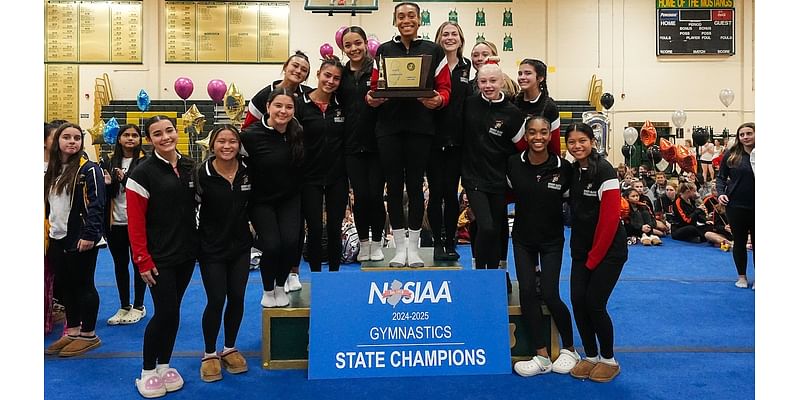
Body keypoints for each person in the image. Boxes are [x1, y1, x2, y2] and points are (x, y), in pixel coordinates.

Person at [366, 1, 452, 267]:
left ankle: (414, 249)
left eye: (411, 16)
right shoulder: (384, 50)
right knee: (392, 188)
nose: (406, 20)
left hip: (421, 128)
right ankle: (399, 247)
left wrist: (439, 101)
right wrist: (372, 98)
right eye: (401, 16)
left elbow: (445, 88)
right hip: (388, 128)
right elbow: (373, 87)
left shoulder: (433, 50)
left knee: (415, 186)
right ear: (395, 21)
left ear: (418, 21)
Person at [127, 116, 199, 398]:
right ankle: (146, 370)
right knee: (164, 312)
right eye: (157, 134)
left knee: (174, 312)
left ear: (176, 131)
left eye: (169, 130)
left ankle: (164, 364)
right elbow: (135, 222)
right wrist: (142, 260)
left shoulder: (190, 166)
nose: (165, 137)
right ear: (149, 139)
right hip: (158, 258)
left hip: (186, 254)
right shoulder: (142, 174)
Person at [508, 116, 579, 377]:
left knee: (549, 294)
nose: (538, 137)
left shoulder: (564, 168)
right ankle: (541, 355)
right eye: (532, 133)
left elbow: (578, 204)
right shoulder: (514, 164)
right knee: (527, 292)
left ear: (551, 135)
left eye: (544, 132)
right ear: (525, 136)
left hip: (552, 240)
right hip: (523, 240)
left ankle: (570, 349)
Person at [564, 122, 628, 383]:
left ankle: (609, 358)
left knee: (594, 303)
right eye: (571, 142)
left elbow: (610, 220)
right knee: (578, 302)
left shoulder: (605, 170)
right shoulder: (572, 171)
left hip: (609, 250)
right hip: (581, 249)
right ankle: (590, 355)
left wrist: (594, 259)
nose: (577, 146)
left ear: (592, 142)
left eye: (582, 141)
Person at [44, 123, 106, 357]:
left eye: (77, 138)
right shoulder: (53, 169)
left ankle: (89, 334)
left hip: (81, 238)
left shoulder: (89, 169)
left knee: (84, 285)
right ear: (57, 141)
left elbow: (98, 204)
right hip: (57, 236)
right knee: (66, 286)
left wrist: (89, 234)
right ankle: (72, 329)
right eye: (67, 137)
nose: (72, 141)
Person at [195, 125, 252, 382]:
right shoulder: (201, 174)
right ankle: (209, 353)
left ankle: (229, 347)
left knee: (237, 297)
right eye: (221, 142)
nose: (227, 146)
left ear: (239, 145)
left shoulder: (249, 172)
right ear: (212, 145)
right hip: (211, 248)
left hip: (240, 247)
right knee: (216, 299)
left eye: (232, 142)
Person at [241, 89, 304, 307]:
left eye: (288, 107)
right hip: (261, 201)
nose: (283, 111)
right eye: (278, 105)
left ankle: (280, 286)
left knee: (290, 244)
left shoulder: (298, 132)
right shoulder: (250, 135)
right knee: (272, 245)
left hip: (289, 199)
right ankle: (268, 290)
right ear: (268, 106)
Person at [461, 62, 525, 271]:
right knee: (486, 227)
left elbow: (520, 149)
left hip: (499, 180)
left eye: (493, 81)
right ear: (477, 83)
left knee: (497, 229)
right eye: (483, 81)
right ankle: (480, 273)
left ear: (502, 82)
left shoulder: (513, 113)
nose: (488, 85)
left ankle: (496, 273)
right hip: (473, 178)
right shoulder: (468, 104)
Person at [296, 57, 348, 273]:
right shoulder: (300, 104)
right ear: (318, 74)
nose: (331, 81)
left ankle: (334, 277)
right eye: (327, 75)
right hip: (309, 178)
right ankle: (317, 277)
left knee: (335, 229)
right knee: (315, 229)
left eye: (336, 78)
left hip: (337, 177)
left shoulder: (341, 105)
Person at [339, 26, 386, 262]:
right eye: (348, 45)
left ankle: (377, 242)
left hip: (377, 144)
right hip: (351, 145)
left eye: (357, 43)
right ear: (342, 48)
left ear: (366, 43)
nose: (354, 48)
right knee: (360, 196)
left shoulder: (378, 69)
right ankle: (364, 243)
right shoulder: (341, 74)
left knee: (375, 195)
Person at [427, 21, 472, 261]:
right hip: (433, 139)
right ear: (438, 39)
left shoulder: (467, 66)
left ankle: (450, 240)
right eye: (445, 34)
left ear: (461, 39)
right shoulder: (432, 65)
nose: (450, 37)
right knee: (436, 193)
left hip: (458, 140)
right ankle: (436, 241)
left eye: (454, 33)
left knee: (452, 194)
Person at [102, 124, 148, 326]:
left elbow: (146, 190)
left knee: (139, 264)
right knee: (120, 265)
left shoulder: (146, 162)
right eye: (126, 135)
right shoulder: (109, 161)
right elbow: (106, 194)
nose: (130, 138)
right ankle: (124, 305)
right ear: (119, 139)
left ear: (140, 139)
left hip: (138, 222)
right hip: (115, 221)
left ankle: (139, 305)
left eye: (134, 135)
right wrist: (109, 183)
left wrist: (124, 179)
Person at [717, 122, 755, 289]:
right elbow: (721, 177)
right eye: (742, 134)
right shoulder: (732, 155)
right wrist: (721, 193)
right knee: (739, 242)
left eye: (749, 133)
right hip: (736, 205)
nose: (745, 137)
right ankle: (742, 277)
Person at [242, 51, 312, 129]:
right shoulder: (263, 96)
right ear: (285, 67)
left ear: (306, 77)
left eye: (304, 70)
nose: (298, 71)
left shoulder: (309, 96)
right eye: (295, 66)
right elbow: (248, 129)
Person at [514, 58, 561, 156]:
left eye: (527, 73)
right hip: (515, 163)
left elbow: (554, 146)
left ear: (540, 78)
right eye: (520, 73)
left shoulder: (549, 106)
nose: (522, 77)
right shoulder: (513, 103)